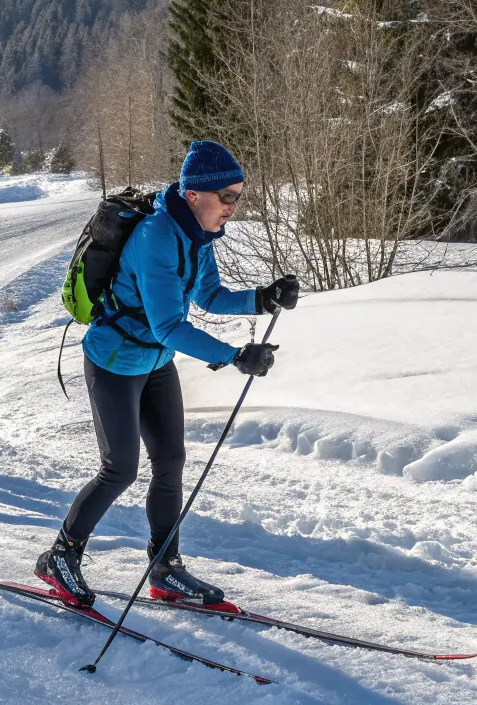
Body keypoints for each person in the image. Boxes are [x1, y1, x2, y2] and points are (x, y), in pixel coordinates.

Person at [35, 141, 299, 607]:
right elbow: (168, 324)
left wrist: (263, 296)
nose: (233, 208)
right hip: (114, 361)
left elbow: (209, 296)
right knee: (119, 469)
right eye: (228, 197)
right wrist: (234, 355)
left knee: (171, 462)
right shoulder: (157, 235)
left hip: (156, 362)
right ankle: (61, 556)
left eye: (238, 196)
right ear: (195, 194)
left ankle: (165, 568)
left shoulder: (197, 234)